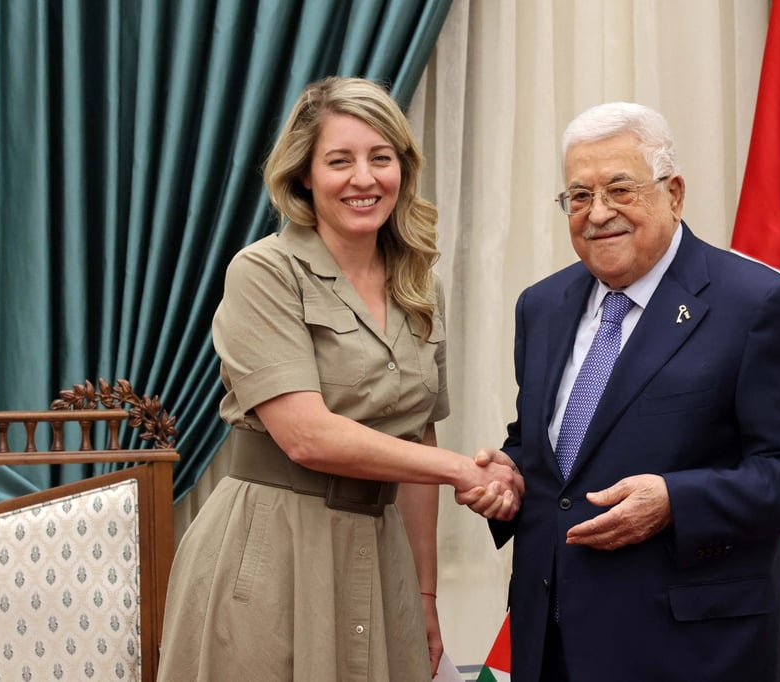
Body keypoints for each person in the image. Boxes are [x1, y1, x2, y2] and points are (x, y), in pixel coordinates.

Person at [158, 76, 522, 682]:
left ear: (402, 169)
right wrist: (465, 470)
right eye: (339, 160)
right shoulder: (263, 272)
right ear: (304, 174)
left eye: (381, 158)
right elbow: (307, 436)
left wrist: (427, 597)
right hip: (272, 551)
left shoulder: (419, 287)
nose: (364, 178)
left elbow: (416, 443)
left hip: (382, 558)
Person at [467, 102, 780, 680]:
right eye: (579, 196)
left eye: (620, 189)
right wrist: (510, 474)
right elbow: (552, 446)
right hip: (553, 639)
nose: (598, 213)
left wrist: (675, 501)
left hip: (698, 649)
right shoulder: (541, 306)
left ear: (674, 192)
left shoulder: (756, 304)